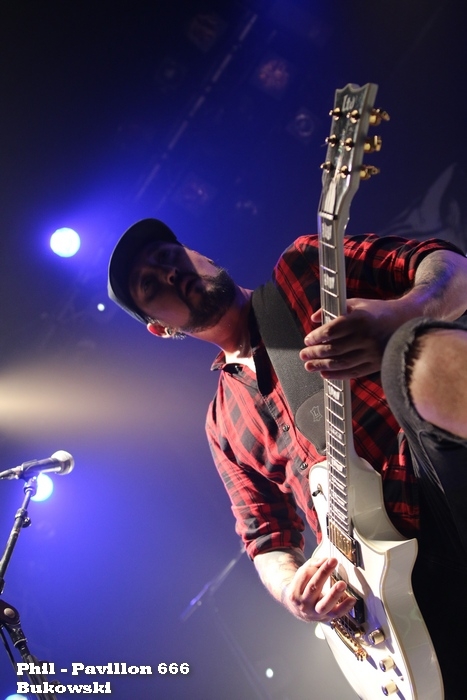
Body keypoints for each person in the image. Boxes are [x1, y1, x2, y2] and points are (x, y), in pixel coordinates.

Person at [108, 217, 467, 698]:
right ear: (160, 328)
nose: (170, 274)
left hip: (439, 480)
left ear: (200, 255)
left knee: (413, 349)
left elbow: (451, 268)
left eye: (168, 257)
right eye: (150, 285)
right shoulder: (222, 424)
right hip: (391, 593)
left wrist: (405, 311)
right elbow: (266, 538)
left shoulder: (304, 268)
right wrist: (293, 591)